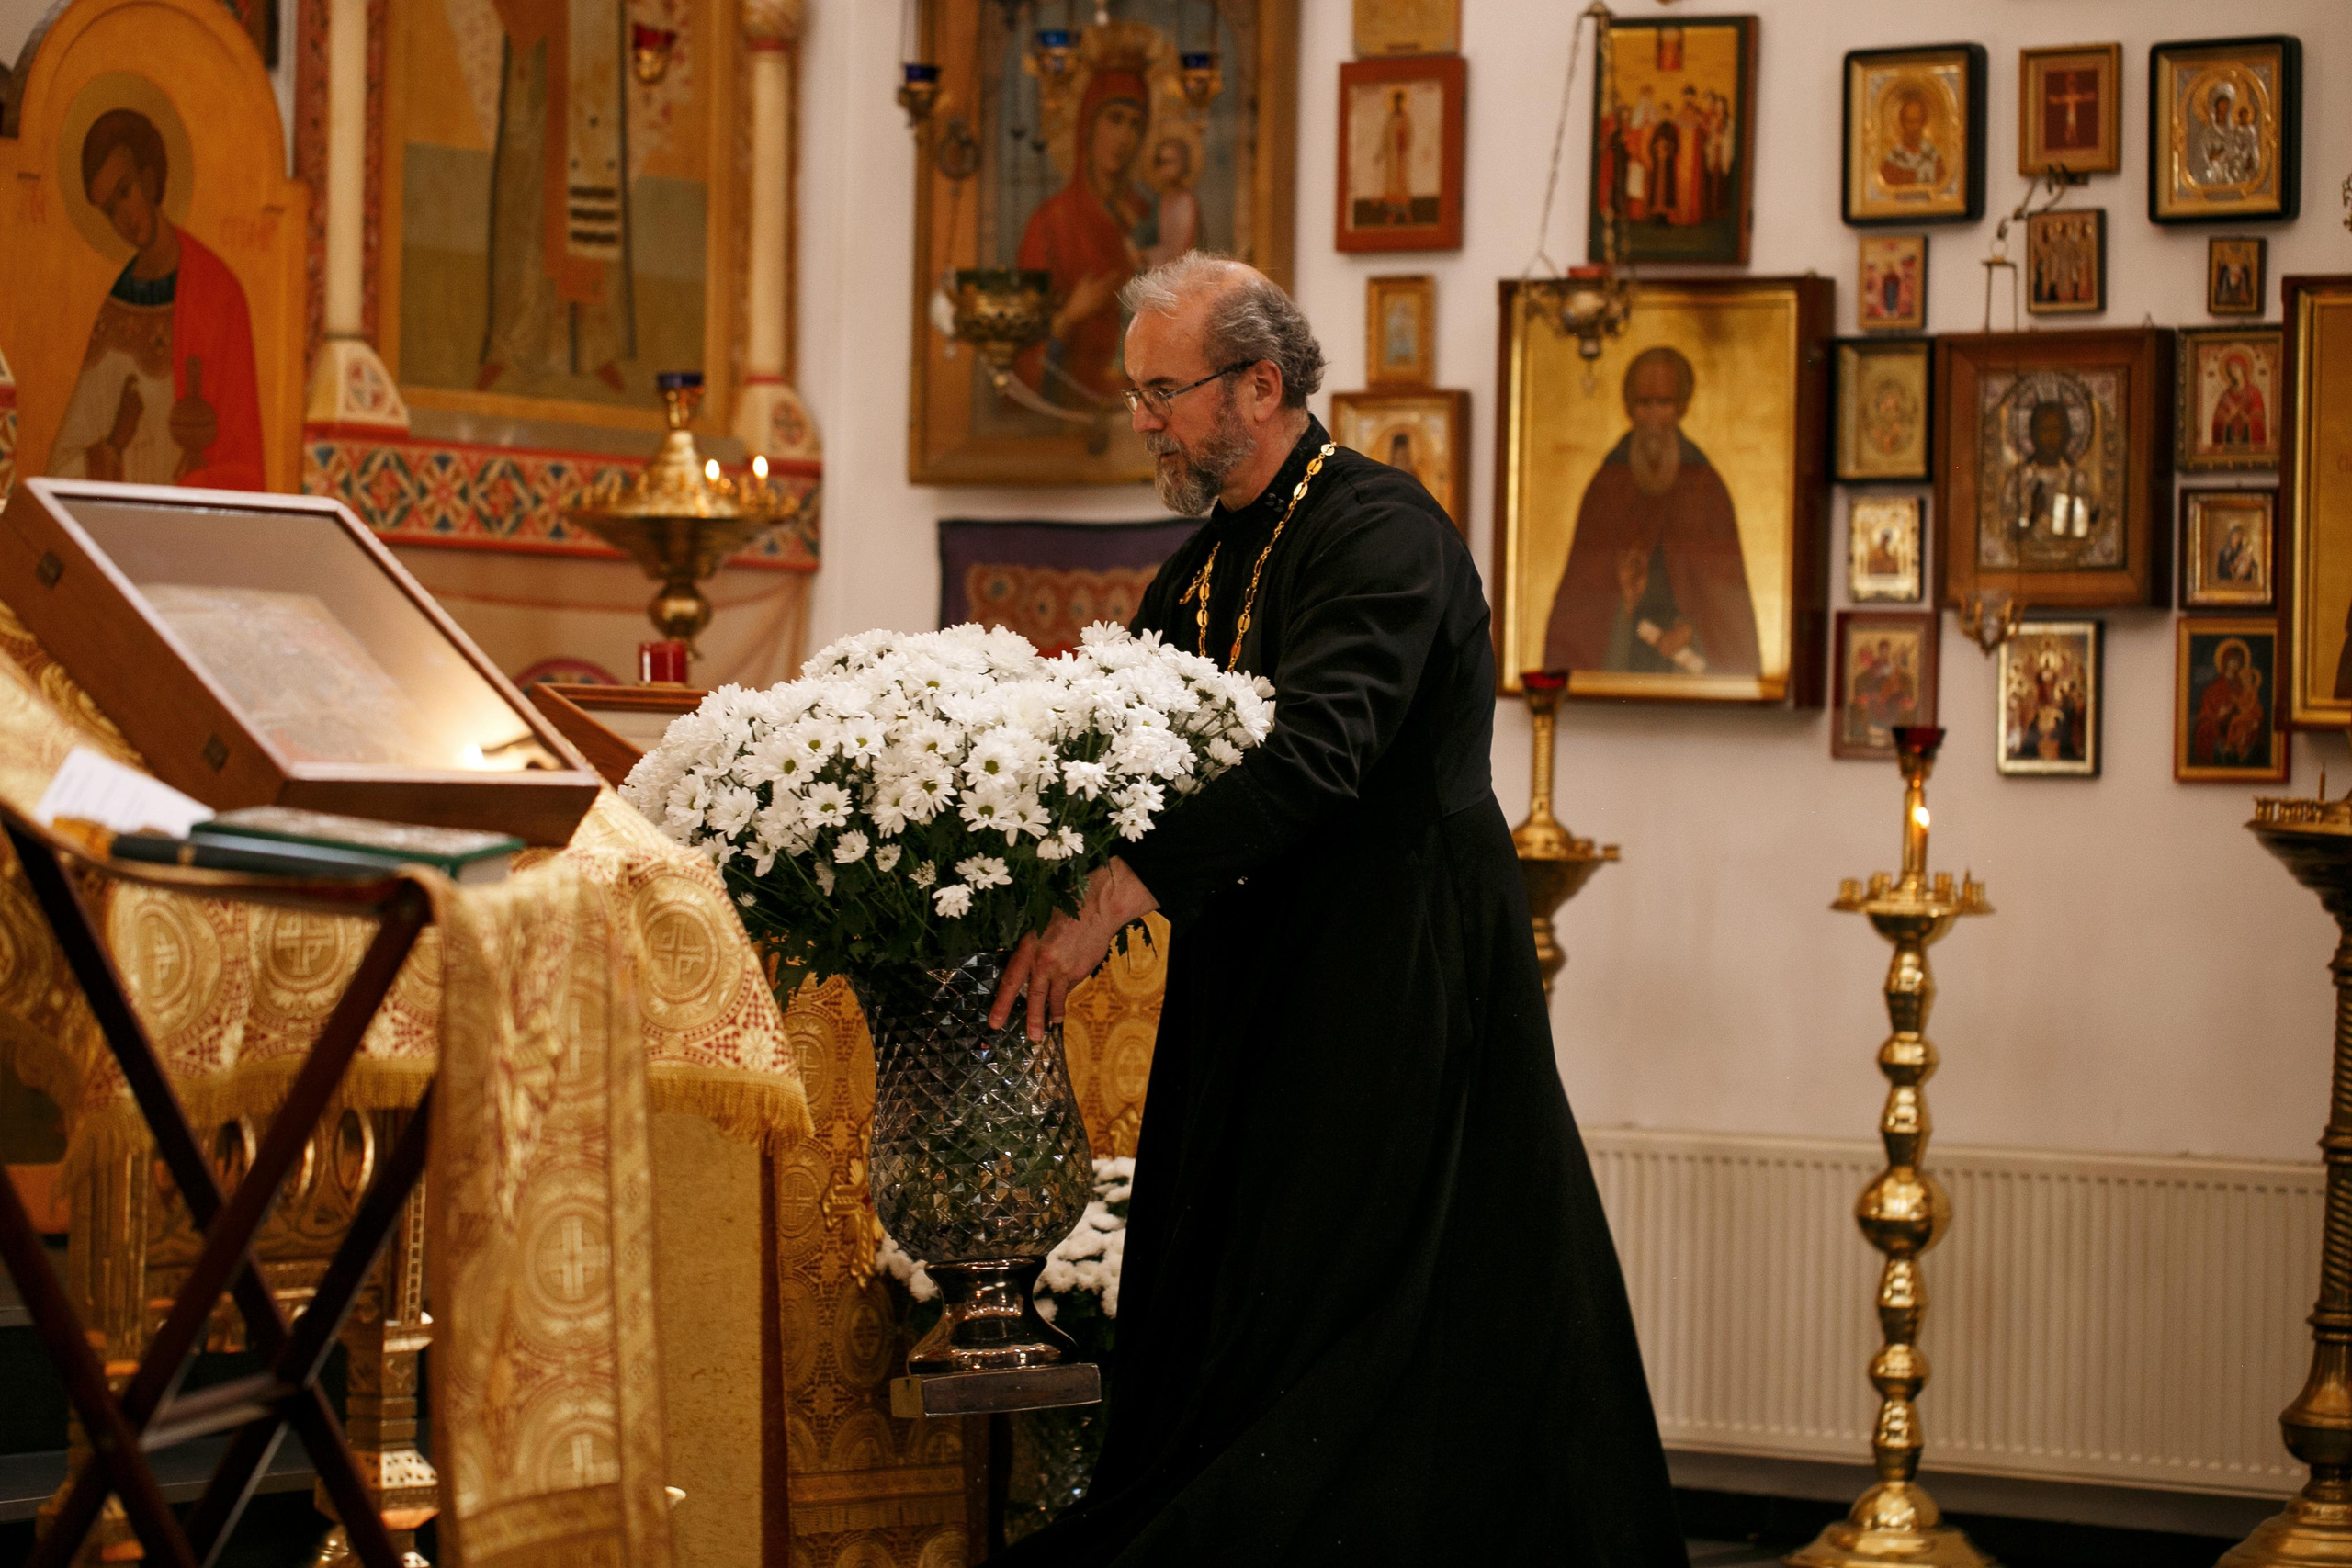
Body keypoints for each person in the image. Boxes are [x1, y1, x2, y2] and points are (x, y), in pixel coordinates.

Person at [986, 253, 1686, 1567]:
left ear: (1262, 382)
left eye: (1164, 391)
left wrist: (1118, 896)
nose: (1144, 419)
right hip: (1260, 964)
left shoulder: (1381, 530)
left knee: (1377, 1304)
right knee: (1238, 1277)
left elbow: (1319, 752)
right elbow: (1124, 749)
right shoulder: (1201, 566)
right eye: (1137, 393)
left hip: (1399, 965)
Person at [51, 108, 265, 489]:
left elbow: (242, 453)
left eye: (125, 191)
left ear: (149, 179)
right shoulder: (116, 302)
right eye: (110, 210)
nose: (124, 218)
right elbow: (60, 467)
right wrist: (115, 443)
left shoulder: (217, 291)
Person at [1543, 345, 1761, 678]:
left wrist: (1689, 629)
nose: (1653, 417)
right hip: (1620, 642)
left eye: (1664, 404)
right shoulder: (1608, 484)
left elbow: (1724, 597)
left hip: (1686, 650)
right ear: (1630, 409)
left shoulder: (1704, 485)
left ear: (1681, 408)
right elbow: (1582, 593)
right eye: (1644, 404)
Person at [1016, 65, 1154, 402]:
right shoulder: (1051, 222)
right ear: (1088, 127)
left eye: (1135, 125)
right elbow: (1021, 351)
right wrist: (1068, 316)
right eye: (1115, 119)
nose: (1124, 138)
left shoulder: (1145, 217)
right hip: (1073, 400)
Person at [2192, 638, 2266, 766]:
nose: (2235, 664)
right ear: (2224, 661)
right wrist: (2219, 715)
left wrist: (2253, 717)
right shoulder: (2212, 688)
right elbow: (2205, 714)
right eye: (2232, 660)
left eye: (2238, 661)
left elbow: (2253, 707)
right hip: (2221, 723)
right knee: (2204, 727)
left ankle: (2241, 751)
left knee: (2253, 724)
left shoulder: (2245, 684)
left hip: (2241, 722)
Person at [1138, 136, 1201, 269]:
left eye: (1170, 162)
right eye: (1161, 162)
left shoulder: (1185, 201)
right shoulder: (1160, 199)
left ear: (1183, 164)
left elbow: (1176, 249)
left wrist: (1144, 255)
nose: (1165, 168)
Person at [1878, 86, 1944, 190]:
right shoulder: (1892, 159)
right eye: (1909, 121)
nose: (1914, 127)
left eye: (1917, 121)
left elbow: (1942, 186)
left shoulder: (1933, 155)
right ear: (1902, 123)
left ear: (1923, 122)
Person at [2211, 353, 2267, 449]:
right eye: (2230, 370)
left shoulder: (2254, 393)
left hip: (2248, 442)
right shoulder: (2226, 396)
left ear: (2243, 370)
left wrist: (2244, 416)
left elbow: (2259, 417)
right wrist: (2228, 417)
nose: (2233, 372)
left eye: (2236, 368)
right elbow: (2217, 419)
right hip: (2229, 443)